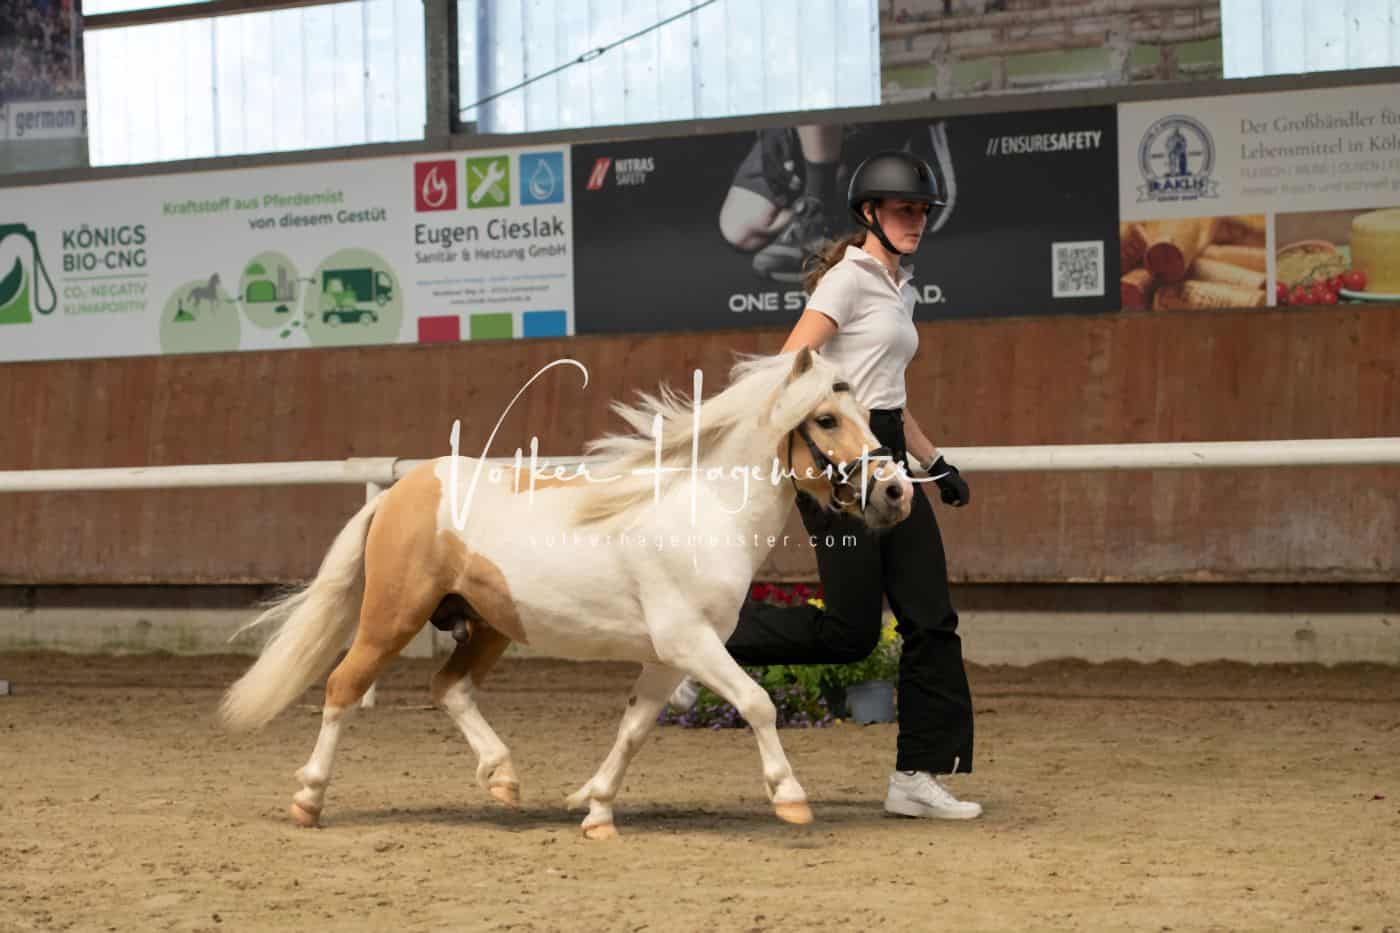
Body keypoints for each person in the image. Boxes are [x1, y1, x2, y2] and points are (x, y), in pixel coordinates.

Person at [679, 149, 982, 820]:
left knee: (932, 618)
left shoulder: (900, 287)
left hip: (887, 455)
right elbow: (791, 364)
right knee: (850, 632)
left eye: (922, 211)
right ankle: (697, 640)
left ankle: (918, 775)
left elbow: (890, 395)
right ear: (870, 213)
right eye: (903, 210)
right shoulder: (847, 281)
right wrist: (820, 449)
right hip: (844, 461)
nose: (916, 221)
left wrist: (935, 463)